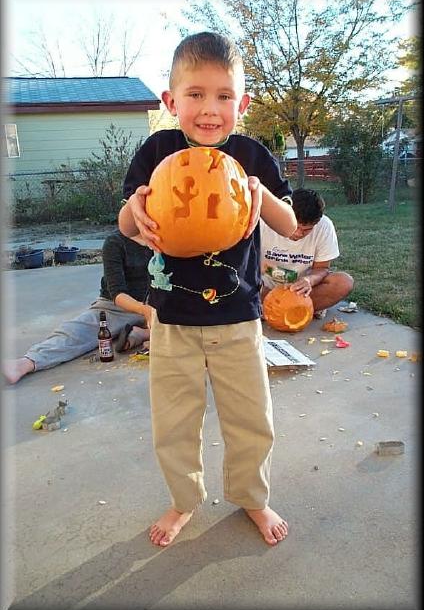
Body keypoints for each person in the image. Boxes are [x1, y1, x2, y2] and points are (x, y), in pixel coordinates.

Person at [118, 32, 298, 547]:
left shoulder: (252, 155)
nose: (210, 110)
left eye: (224, 96)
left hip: (238, 317)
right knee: (174, 422)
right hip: (171, 319)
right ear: (171, 101)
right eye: (195, 94)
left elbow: (287, 225)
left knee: (251, 419)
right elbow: (126, 226)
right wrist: (136, 210)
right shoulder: (157, 150)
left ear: (242, 103)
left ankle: (253, 498)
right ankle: (183, 500)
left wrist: (258, 194)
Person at [3, 231, 152, 385]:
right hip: (117, 307)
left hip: (158, 306)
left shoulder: (165, 237)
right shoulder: (115, 242)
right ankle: (25, 363)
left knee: (176, 330)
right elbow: (117, 293)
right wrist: (145, 311)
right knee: (77, 331)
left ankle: (142, 333)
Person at [261, 187, 354, 317]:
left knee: (344, 282)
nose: (299, 233)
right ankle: (285, 309)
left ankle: (293, 310)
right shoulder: (265, 221)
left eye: (306, 230)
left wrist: (309, 280)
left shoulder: (325, 226)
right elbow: (248, 265)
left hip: (302, 290)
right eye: (295, 227)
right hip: (266, 285)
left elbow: (322, 268)